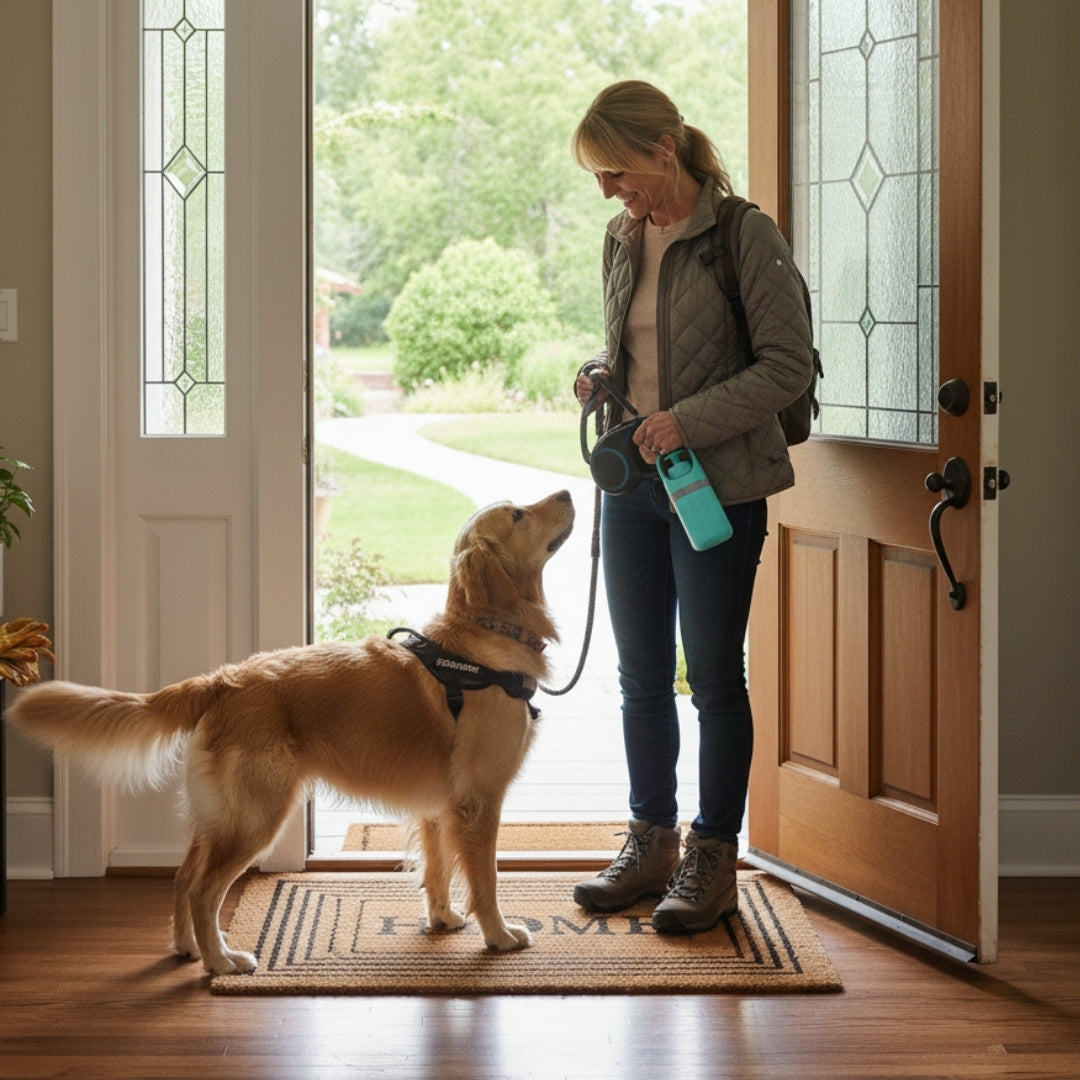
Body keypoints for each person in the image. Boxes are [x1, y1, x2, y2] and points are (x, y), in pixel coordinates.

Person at [569, 80, 814, 934]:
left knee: (710, 677)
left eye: (615, 171)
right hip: (634, 484)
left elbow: (789, 367)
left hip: (719, 484)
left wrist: (685, 421)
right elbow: (637, 351)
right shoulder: (622, 237)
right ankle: (652, 844)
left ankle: (713, 858)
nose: (609, 190)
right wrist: (604, 377)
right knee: (640, 677)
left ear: (662, 151)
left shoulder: (742, 234)